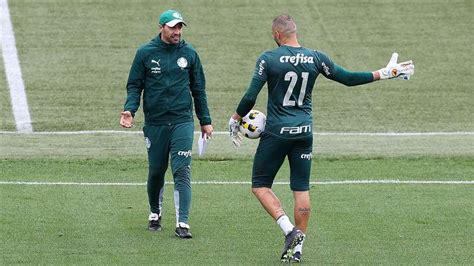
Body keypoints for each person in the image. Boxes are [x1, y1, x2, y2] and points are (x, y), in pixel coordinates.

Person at [228, 14, 414, 262]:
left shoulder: (268, 59)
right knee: (301, 188)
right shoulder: (316, 58)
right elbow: (347, 79)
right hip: (304, 132)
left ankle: (288, 230)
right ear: (295, 32)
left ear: (277, 34)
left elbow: (251, 95)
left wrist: (235, 118)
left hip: (277, 132)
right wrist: (384, 72)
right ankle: (298, 249)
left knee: (260, 185)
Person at [120, 9, 213, 239]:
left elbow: (198, 89)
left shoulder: (190, 54)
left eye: (180, 27)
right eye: (173, 27)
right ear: (161, 27)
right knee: (156, 172)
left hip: (182, 121)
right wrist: (130, 109)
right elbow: (134, 86)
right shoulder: (145, 53)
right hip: (155, 123)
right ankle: (155, 212)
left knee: (182, 170)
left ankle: (182, 222)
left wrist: (205, 121)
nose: (177, 31)